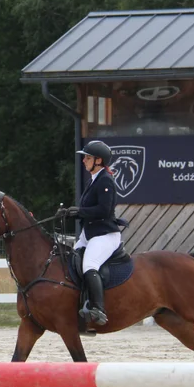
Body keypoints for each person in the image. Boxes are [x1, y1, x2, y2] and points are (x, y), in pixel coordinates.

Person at [60, 140, 123, 326]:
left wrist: (79, 211)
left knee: (89, 265)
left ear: (98, 160)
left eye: (87, 157)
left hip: (104, 235)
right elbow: (88, 210)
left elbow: (104, 210)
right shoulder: (94, 180)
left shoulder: (105, 180)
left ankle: (99, 309)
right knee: (69, 261)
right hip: (89, 234)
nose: (84, 160)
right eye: (85, 157)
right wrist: (69, 213)